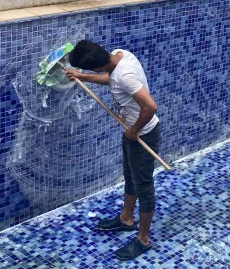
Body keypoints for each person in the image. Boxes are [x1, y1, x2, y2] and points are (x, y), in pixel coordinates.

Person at [64, 40, 161, 261]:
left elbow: (150, 106)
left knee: (144, 186)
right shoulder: (119, 55)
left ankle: (143, 239)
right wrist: (81, 77)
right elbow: (111, 79)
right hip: (132, 132)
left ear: (98, 66)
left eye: (91, 70)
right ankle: (126, 218)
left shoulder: (125, 76)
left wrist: (134, 130)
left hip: (143, 134)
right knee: (130, 177)